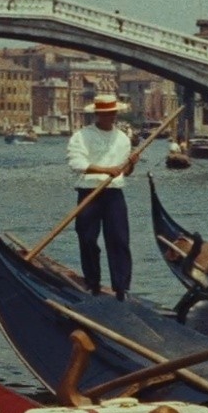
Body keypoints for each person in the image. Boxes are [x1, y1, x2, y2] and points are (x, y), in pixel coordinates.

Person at [66, 93, 135, 298]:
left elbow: (124, 172)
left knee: (119, 240)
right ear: (97, 114)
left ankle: (121, 288)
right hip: (89, 192)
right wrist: (105, 170)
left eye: (112, 113)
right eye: (105, 114)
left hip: (114, 193)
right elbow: (76, 164)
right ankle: (93, 284)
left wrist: (132, 165)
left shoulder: (123, 138)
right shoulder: (81, 136)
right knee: (87, 238)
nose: (110, 117)